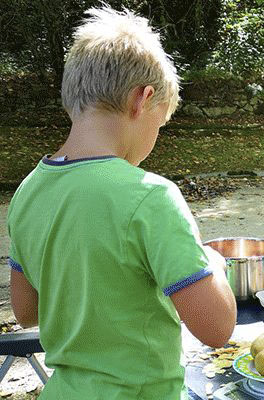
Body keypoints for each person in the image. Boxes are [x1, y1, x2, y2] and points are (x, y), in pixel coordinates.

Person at [7, 6, 237, 399]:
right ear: (142, 99)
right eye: (159, 125)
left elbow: (26, 312)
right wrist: (211, 264)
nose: (154, 140)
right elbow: (216, 329)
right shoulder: (151, 196)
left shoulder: (27, 191)